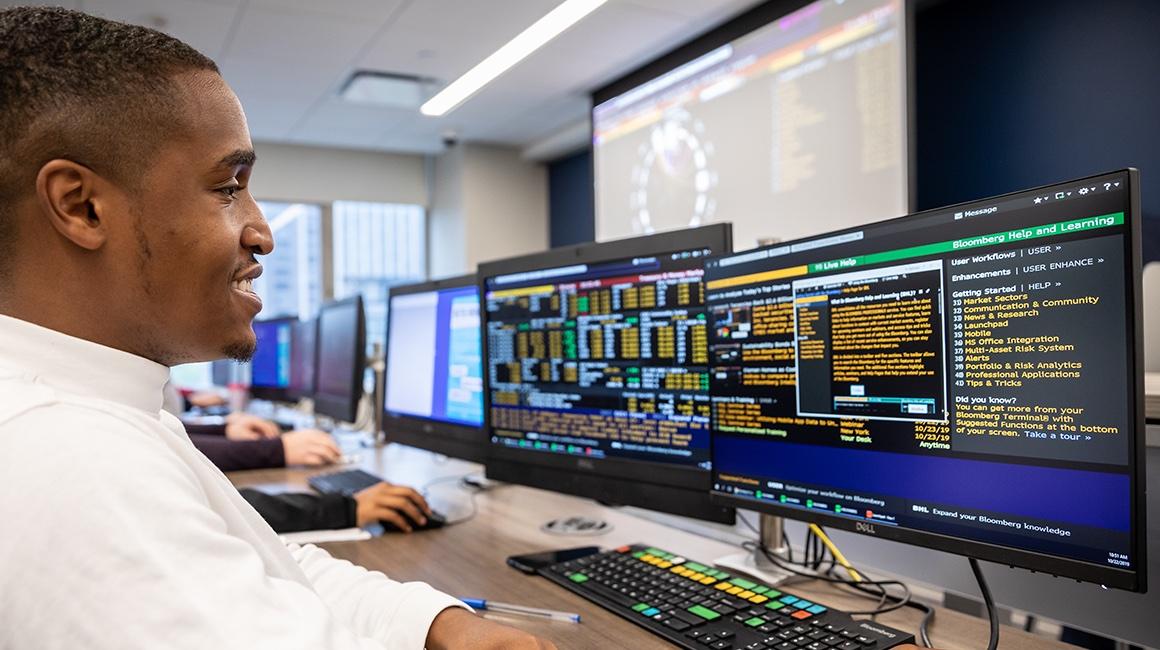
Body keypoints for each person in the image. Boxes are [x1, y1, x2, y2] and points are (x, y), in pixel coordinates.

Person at [0, 7, 553, 649]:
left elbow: (269, 567)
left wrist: (436, 623)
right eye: (228, 187)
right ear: (82, 206)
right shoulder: (72, 454)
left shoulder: (101, 412)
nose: (262, 231)